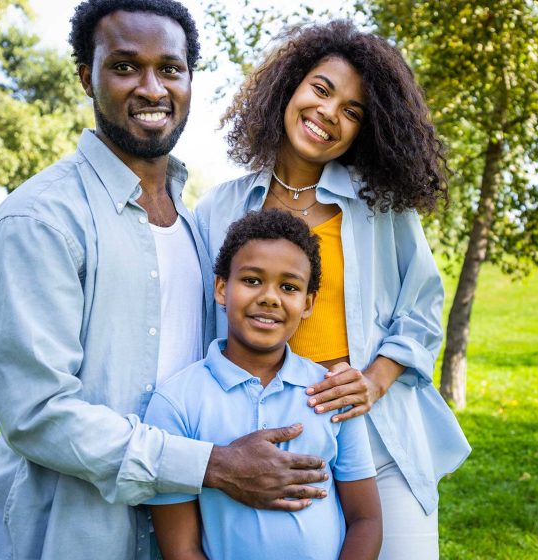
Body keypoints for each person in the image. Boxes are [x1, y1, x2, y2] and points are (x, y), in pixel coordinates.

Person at [0, 2, 327, 558]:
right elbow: (37, 413)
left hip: (181, 533)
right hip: (74, 532)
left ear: (189, 80)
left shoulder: (195, 225)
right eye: (124, 67)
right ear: (86, 77)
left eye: (170, 69)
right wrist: (213, 465)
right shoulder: (39, 220)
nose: (152, 88)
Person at [195, 21, 471, 559]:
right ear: (290, 87)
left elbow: (422, 307)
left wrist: (373, 381)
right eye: (321, 90)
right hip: (268, 440)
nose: (328, 113)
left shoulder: (380, 209)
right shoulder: (220, 208)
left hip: (377, 436)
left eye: (352, 111)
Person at [144, 209, 382, 560]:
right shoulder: (176, 402)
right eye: (252, 280)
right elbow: (181, 548)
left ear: (308, 303)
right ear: (222, 288)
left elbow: (366, 520)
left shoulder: (331, 394)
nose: (270, 297)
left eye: (289, 287)